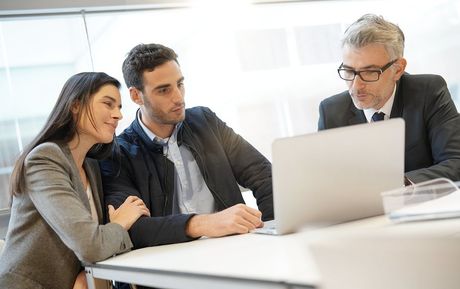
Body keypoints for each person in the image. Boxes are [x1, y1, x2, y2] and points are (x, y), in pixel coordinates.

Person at [100, 43, 273, 249]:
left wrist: (271, 231)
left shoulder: (206, 122)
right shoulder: (119, 153)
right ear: (136, 96)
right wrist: (203, 224)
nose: (178, 97)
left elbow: (264, 176)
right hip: (172, 264)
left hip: (234, 248)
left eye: (180, 84)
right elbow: (133, 228)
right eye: (164, 90)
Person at [0, 72, 150, 289]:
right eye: (108, 104)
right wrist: (119, 223)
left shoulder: (91, 166)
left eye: (119, 107)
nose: (117, 114)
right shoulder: (45, 158)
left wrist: (83, 271)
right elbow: (90, 244)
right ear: (75, 105)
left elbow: (90, 242)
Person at [318, 14, 460, 184]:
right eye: (349, 71)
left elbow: (455, 162)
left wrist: (395, 186)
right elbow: (326, 182)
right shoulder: (331, 111)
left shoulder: (428, 92)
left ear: (398, 69)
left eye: (369, 72)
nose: (356, 85)